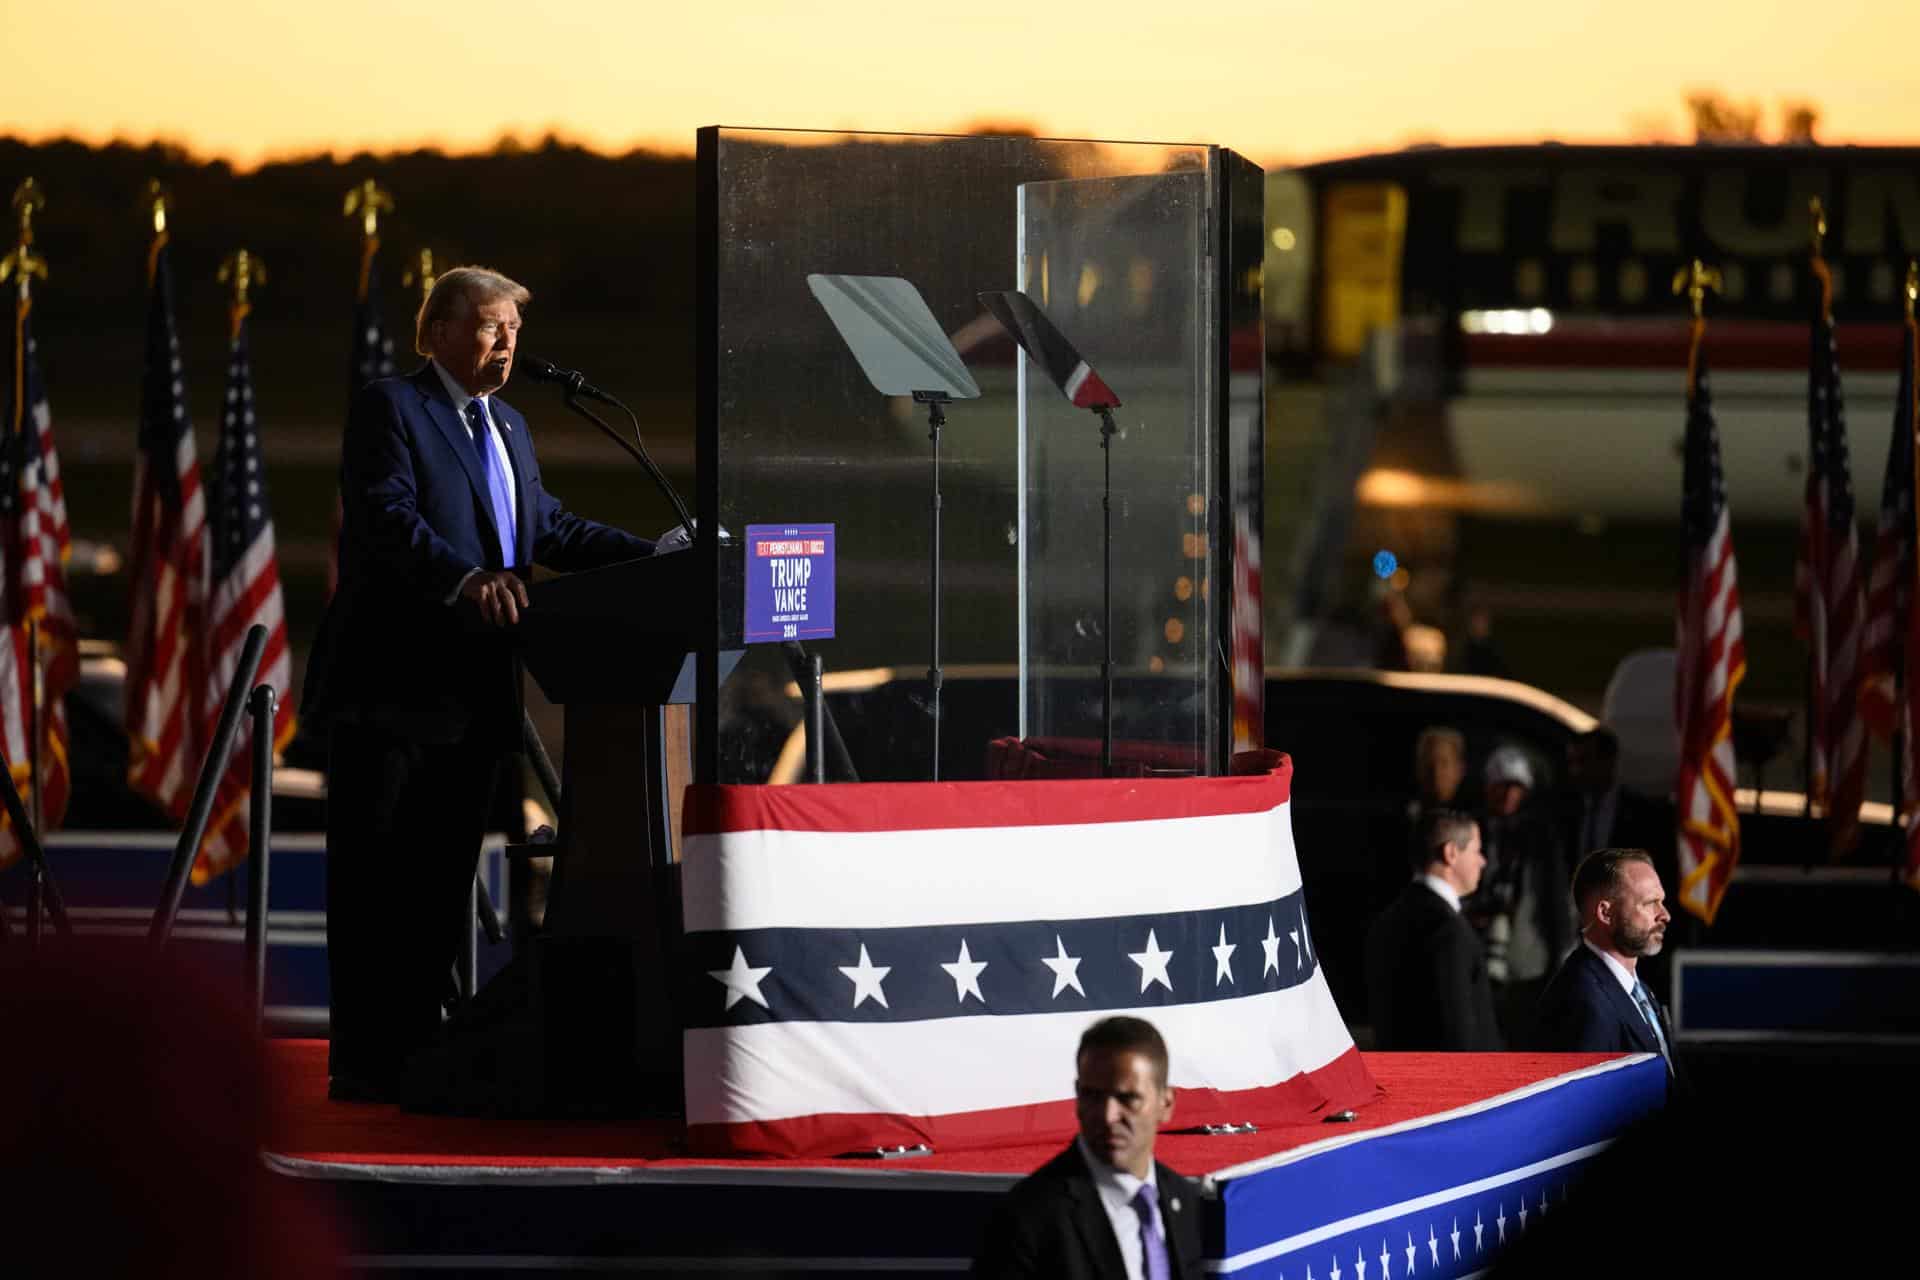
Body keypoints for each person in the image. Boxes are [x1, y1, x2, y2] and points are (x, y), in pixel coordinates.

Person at [303, 265, 653, 1101]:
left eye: (515, 332)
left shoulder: (511, 427)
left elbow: (550, 527)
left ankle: (416, 1049)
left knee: (438, 884)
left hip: (472, 697)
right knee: (375, 885)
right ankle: (362, 1060)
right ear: (439, 336)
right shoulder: (394, 408)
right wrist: (465, 580)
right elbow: (387, 516)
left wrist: (657, 556)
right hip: (391, 693)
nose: (508, 344)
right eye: (493, 327)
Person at [972, 1017, 1203, 1279]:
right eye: (1093, 1096)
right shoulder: (1028, 1217)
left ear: (1166, 1103)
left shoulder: (1181, 1198)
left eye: (1128, 1099)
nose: (1108, 1116)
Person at [1531, 848, 1683, 1089]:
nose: (1664, 915)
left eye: (1661, 902)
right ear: (1605, 913)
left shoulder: (1634, 987)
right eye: (1650, 903)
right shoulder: (1584, 1000)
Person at [1365, 809, 1504, 1050]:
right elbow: (1459, 1035)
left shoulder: (1388, 919)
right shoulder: (1449, 932)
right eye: (1476, 850)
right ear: (1451, 853)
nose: (1483, 861)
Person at [1466, 744, 1575, 1041]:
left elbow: (1556, 898)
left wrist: (1562, 951)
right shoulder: (1473, 830)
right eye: (1501, 787)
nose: (1508, 796)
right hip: (1477, 957)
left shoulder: (1541, 838)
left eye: (1516, 788)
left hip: (1528, 963)